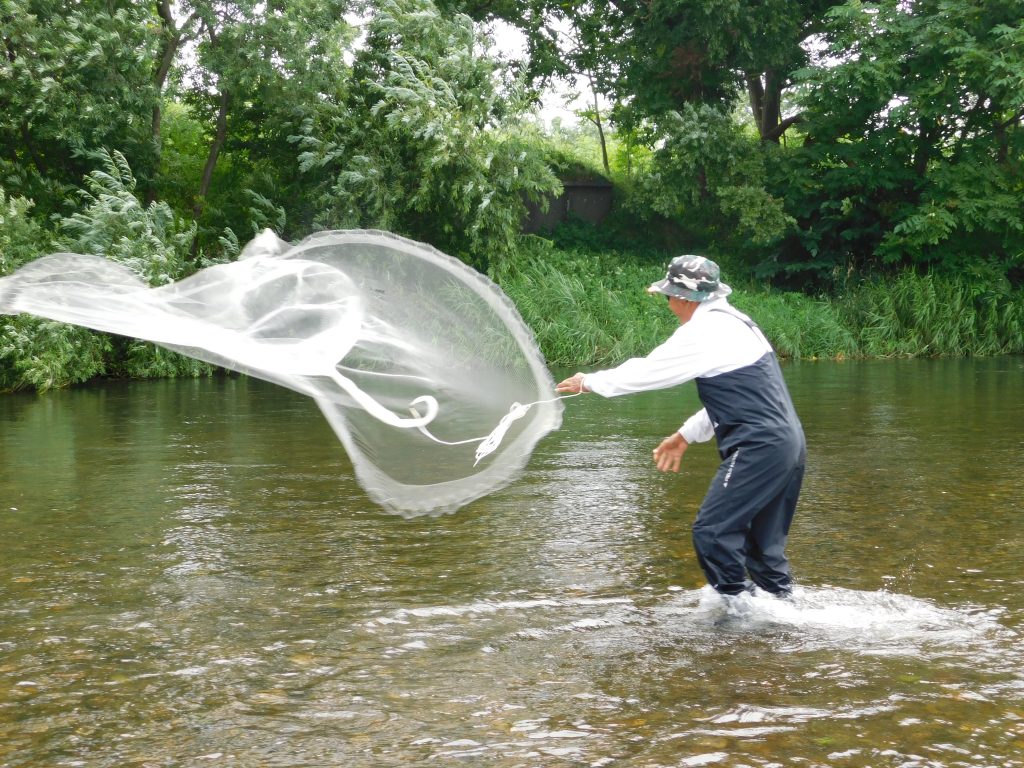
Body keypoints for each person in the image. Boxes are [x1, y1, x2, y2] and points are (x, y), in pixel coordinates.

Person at [555, 255, 806, 598]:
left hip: (759, 447)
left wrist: (590, 381)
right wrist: (685, 435)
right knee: (763, 550)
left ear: (684, 297)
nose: (669, 304)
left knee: (712, 533)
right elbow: (738, 400)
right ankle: (781, 622)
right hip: (787, 445)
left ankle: (739, 616)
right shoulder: (737, 322)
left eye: (668, 296)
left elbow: (648, 372)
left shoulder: (706, 330)